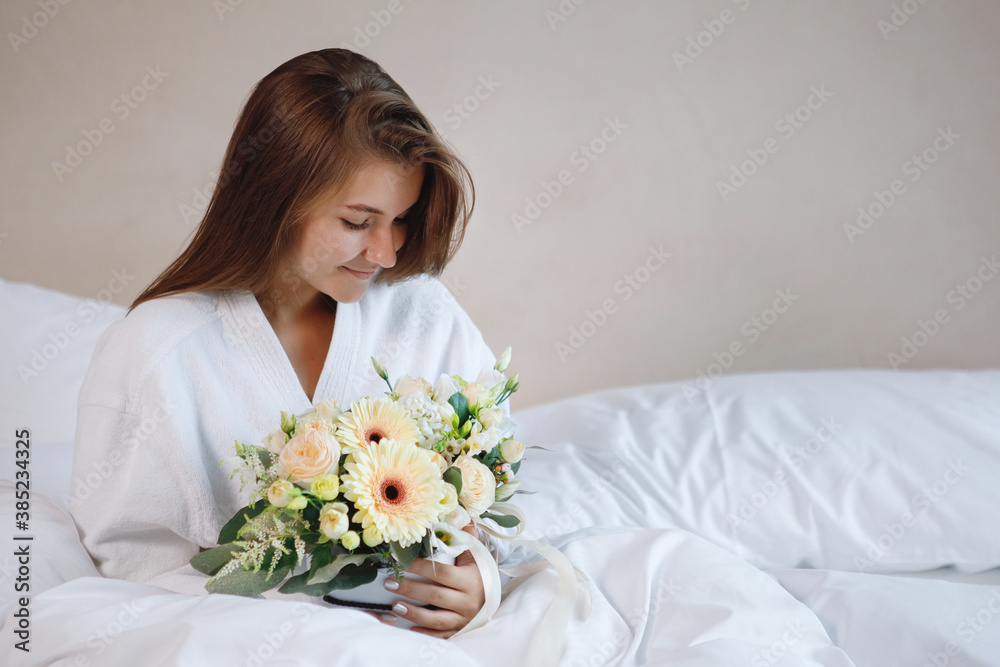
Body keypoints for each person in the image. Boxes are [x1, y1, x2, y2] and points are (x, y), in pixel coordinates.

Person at [69, 47, 508, 638]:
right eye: (356, 223)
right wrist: (307, 618)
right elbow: (129, 569)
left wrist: (477, 576)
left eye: (401, 218)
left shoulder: (420, 311)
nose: (387, 253)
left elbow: (494, 502)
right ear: (274, 200)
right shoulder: (157, 352)